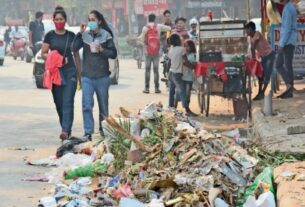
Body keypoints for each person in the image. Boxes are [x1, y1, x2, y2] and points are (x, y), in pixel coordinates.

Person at [72, 10, 117, 140]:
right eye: (89, 19)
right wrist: (79, 33)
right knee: (86, 104)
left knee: (103, 105)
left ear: (99, 21)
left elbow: (113, 54)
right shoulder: (85, 36)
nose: (91, 22)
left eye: (93, 19)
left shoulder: (106, 35)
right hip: (87, 77)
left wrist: (102, 50)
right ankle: (88, 132)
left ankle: (103, 131)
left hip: (102, 76)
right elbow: (73, 48)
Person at [41, 6, 81, 140]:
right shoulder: (49, 36)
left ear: (65, 20)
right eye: (56, 19)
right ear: (53, 21)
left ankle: (65, 129)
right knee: (59, 103)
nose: (59, 21)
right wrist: (55, 58)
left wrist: (80, 74)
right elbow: (43, 53)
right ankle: (65, 127)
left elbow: (76, 55)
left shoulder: (71, 35)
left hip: (70, 71)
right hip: (55, 73)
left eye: (61, 19)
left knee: (68, 101)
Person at [138, 13, 171, 94]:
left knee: (147, 70)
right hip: (156, 51)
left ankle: (147, 88)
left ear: (148, 19)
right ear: (155, 19)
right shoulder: (159, 26)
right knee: (156, 70)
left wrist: (145, 47)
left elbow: (142, 40)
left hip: (147, 52)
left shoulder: (145, 28)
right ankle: (156, 88)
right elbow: (169, 28)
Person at [245, 21, 276, 100]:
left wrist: (253, 59)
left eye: (247, 29)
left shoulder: (257, 34)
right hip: (263, 57)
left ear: (251, 29)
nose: (246, 31)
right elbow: (250, 48)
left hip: (269, 55)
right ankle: (260, 92)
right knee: (260, 75)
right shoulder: (250, 37)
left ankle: (262, 93)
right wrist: (251, 57)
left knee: (266, 75)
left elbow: (253, 47)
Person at [168, 33, 196, 116]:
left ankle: (171, 108)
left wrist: (167, 72)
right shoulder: (182, 49)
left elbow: (169, 62)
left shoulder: (171, 49)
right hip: (177, 73)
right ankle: (187, 109)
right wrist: (192, 66)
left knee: (172, 91)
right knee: (182, 91)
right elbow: (185, 61)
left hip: (171, 72)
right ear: (178, 40)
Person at [275, 0, 297, 99]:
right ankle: (289, 86)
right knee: (282, 64)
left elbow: (287, 29)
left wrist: (282, 44)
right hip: (287, 40)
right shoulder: (288, 7)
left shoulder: (288, 9)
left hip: (287, 41)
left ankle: (289, 88)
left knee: (284, 65)